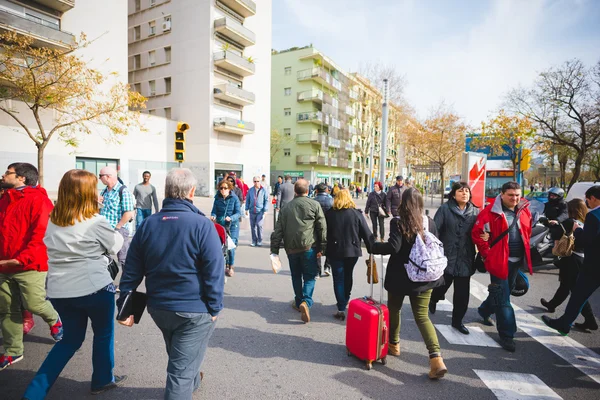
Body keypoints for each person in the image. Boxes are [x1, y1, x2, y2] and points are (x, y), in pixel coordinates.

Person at [118, 168, 224, 399]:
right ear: (192, 191)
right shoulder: (202, 225)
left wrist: (124, 302)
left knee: (179, 355)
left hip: (159, 307)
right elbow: (214, 271)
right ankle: (187, 382)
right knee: (179, 372)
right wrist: (215, 307)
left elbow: (132, 267)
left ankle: (192, 379)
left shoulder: (149, 224)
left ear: (166, 190)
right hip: (193, 309)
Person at [22, 170, 126, 398]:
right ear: (86, 193)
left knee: (69, 340)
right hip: (94, 288)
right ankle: (102, 379)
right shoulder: (95, 221)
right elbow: (114, 245)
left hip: (61, 290)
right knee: (103, 334)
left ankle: (34, 392)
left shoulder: (53, 219)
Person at [370, 188, 447, 380]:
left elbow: (393, 247)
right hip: (424, 277)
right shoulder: (429, 222)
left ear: (403, 203)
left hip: (400, 278)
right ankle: (436, 358)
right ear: (420, 203)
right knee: (422, 317)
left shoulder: (399, 222)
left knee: (394, 310)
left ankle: (394, 345)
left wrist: (374, 245)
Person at [0, 163, 63, 372]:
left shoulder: (39, 201)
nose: (3, 175)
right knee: (7, 309)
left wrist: (17, 261)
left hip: (29, 265)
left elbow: (41, 238)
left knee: (34, 304)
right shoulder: (5, 199)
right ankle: (13, 350)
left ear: (22, 179)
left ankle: (55, 321)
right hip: (4, 266)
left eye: (8, 172)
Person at [471, 181, 533, 352]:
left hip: (517, 261)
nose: (515, 198)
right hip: (498, 260)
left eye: (517, 195)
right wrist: (487, 254)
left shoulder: (524, 210)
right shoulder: (490, 212)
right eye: (511, 195)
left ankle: (484, 311)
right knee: (505, 299)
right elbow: (477, 234)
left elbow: (527, 231)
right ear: (502, 194)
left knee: (502, 292)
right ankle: (507, 335)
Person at [542, 185, 600, 335]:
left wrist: (577, 230)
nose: (588, 203)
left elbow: (586, 240)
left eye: (588, 200)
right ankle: (581, 321)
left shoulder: (594, 216)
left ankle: (564, 323)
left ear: (593, 198)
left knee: (578, 296)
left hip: (593, 265)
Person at [271, 179, 326, 324]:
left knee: (296, 275)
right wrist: (322, 248)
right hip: (309, 247)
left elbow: (278, 231)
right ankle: (306, 302)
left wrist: (274, 251)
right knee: (309, 276)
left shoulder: (286, 208)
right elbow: (322, 227)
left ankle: (298, 300)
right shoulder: (314, 205)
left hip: (291, 248)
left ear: (295, 191)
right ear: (308, 191)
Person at [429, 182, 481, 335]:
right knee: (441, 286)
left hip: (466, 258)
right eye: (460, 191)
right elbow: (435, 231)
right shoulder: (445, 209)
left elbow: (480, 232)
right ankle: (434, 298)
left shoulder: (476, 212)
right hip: (447, 257)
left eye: (466, 191)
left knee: (462, 294)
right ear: (453, 194)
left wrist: (484, 236)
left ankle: (457, 321)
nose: (464, 193)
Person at [325, 189, 374, 320]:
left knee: (338, 278)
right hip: (352, 251)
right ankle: (345, 299)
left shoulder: (330, 214)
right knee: (348, 275)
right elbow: (366, 233)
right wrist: (371, 249)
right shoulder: (356, 214)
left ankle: (341, 306)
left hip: (335, 250)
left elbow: (324, 233)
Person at [98, 167, 135, 269]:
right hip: (104, 230)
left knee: (123, 258)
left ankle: (126, 284)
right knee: (103, 258)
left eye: (101, 176)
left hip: (119, 230)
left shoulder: (123, 191)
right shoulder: (104, 191)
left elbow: (128, 213)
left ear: (108, 176)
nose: (99, 178)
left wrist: (118, 227)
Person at [211, 179, 241, 277]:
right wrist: (213, 215)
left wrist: (231, 218)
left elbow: (238, 213)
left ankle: (230, 267)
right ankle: (223, 267)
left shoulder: (234, 198)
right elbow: (214, 210)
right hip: (221, 225)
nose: (223, 190)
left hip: (232, 226)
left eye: (225, 188)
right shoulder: (217, 198)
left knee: (231, 247)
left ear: (229, 189)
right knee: (222, 247)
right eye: (221, 188)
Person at [313, 183, 334, 277]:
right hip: (329, 227)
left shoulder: (313, 201)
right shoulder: (331, 200)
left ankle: (317, 270)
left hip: (316, 227)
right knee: (329, 247)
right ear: (326, 190)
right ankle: (327, 267)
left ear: (316, 191)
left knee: (317, 248)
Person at [245, 176, 269, 247]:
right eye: (255, 181)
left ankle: (260, 240)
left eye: (257, 181)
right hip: (252, 211)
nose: (256, 183)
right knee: (252, 227)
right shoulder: (250, 190)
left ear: (260, 181)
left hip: (260, 211)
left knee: (259, 225)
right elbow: (248, 200)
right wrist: (246, 209)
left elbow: (266, 200)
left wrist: (265, 210)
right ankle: (254, 240)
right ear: (253, 182)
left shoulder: (263, 190)